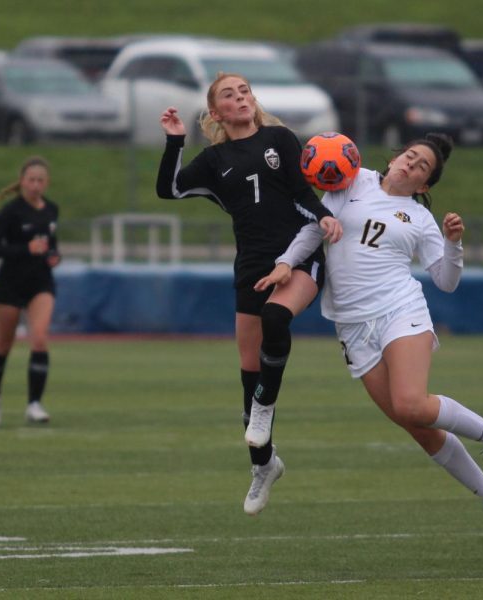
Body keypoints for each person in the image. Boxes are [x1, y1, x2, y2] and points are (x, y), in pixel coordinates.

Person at [261, 133, 483, 546]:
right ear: (397, 156)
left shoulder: (419, 218)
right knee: (416, 425)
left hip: (401, 310)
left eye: (421, 167)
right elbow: (313, 230)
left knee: (410, 402)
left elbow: (446, 281)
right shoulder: (351, 180)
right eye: (410, 156)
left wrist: (453, 245)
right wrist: (284, 263)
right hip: (351, 325)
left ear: (424, 185)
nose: (410, 165)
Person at [155, 72, 341, 517]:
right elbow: (170, 188)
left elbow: (301, 191)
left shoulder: (281, 137)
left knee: (277, 318)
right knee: (248, 373)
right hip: (252, 265)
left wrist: (324, 217)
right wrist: (175, 142)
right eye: (228, 95)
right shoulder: (214, 159)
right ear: (216, 112)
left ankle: (265, 410)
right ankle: (264, 466)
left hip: (299, 253)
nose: (239, 98)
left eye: (244, 91)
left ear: (253, 100)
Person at [0, 156, 61, 427]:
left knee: (39, 338)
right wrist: (24, 250)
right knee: (3, 345)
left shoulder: (51, 209)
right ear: (22, 181)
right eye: (31, 180)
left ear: (46, 182)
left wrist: (54, 256)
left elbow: (52, 245)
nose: (36, 185)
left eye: (40, 180)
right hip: (10, 283)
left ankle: (34, 404)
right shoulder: (11, 212)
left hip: (41, 282)